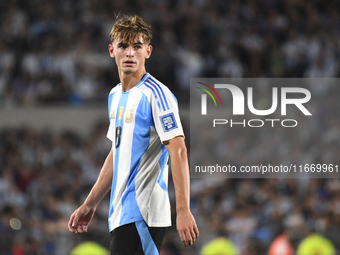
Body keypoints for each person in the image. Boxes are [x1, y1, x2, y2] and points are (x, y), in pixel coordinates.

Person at [68, 15, 199, 255]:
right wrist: (91, 202)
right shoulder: (114, 95)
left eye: (137, 46)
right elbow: (117, 154)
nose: (130, 53)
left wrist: (182, 209)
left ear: (148, 51)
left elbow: (178, 150)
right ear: (111, 50)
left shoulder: (157, 95)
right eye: (123, 46)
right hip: (120, 212)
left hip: (143, 211)